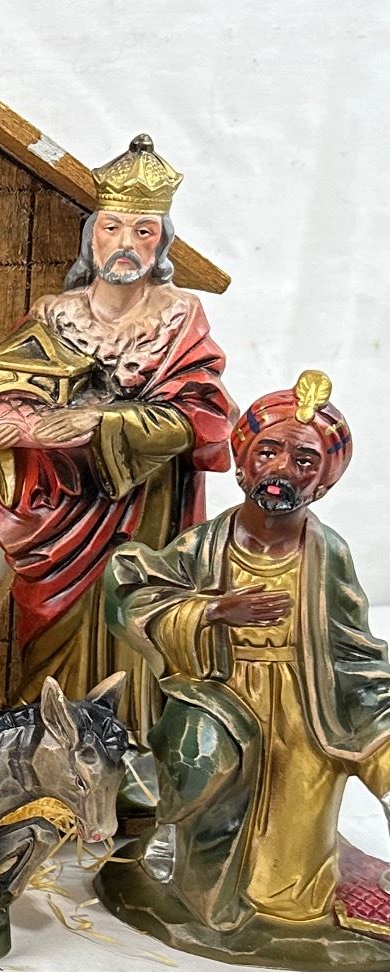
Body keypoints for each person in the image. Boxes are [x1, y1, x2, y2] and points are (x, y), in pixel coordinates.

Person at [0, 136, 233, 733]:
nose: (126, 243)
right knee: (50, 624)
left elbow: (204, 416)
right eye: (112, 227)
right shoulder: (53, 313)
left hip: (144, 504)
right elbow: (7, 387)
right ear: (92, 237)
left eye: (143, 230)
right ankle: (48, 742)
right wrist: (1, 439)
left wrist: (100, 422)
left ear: (161, 242)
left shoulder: (179, 316)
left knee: (132, 619)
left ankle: (127, 743)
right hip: (61, 505)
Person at [104, 372, 390, 942]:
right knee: (208, 787)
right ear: (242, 464)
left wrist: (378, 725)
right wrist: (212, 611)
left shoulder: (327, 554)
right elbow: (135, 595)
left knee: (290, 898)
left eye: (305, 461)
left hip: (307, 712)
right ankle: (192, 879)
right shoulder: (204, 545)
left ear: (323, 484)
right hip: (222, 698)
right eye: (268, 451)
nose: (282, 469)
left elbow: (355, 649)